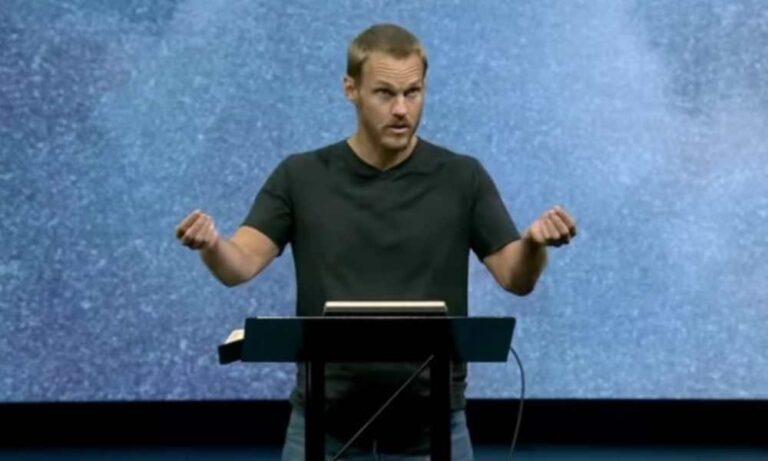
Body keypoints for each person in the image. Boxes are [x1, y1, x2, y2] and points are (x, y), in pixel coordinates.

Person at [175, 23, 576, 461]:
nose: (401, 109)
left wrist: (533, 245)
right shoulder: (300, 176)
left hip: (435, 430)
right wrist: (212, 245)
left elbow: (515, 278)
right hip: (322, 429)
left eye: (413, 92)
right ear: (351, 89)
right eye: (385, 93)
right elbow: (239, 265)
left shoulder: (463, 176)